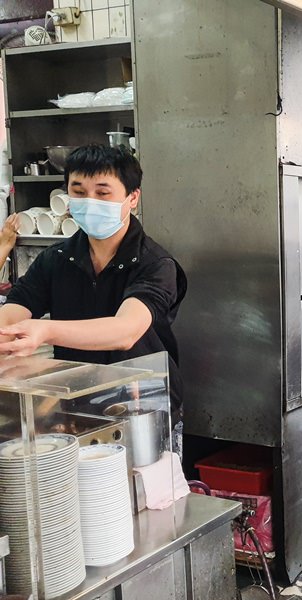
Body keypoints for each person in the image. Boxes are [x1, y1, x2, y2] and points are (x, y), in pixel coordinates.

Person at [0, 145, 187, 450]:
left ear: (132, 198)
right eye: (79, 191)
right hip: (76, 405)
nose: (90, 202)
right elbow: (16, 308)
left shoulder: (155, 263)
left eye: (103, 193)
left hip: (143, 406)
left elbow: (125, 331)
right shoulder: (56, 259)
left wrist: (45, 330)